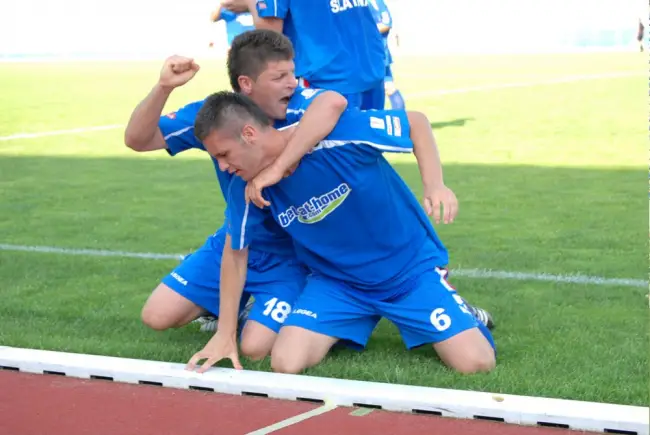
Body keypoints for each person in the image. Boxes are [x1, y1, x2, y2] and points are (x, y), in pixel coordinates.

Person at [188, 91, 496, 375]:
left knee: (476, 363)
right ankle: (352, 320)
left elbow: (414, 122)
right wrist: (224, 334)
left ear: (249, 134)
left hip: (408, 272)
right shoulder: (246, 187)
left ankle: (461, 311)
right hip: (339, 284)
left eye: (224, 154)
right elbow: (235, 252)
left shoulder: (335, 136)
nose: (223, 166)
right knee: (286, 362)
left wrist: (435, 184)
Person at [123, 29, 347, 361]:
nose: (293, 82)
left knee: (255, 348)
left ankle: (309, 310)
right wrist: (164, 87)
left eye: (292, 73)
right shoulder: (216, 117)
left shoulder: (304, 106)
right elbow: (137, 140)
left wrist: (278, 165)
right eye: (280, 76)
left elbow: (334, 104)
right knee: (157, 316)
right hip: (236, 239)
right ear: (246, 84)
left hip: (293, 255)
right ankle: (234, 307)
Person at [219, 0, 386, 110]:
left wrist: (251, 3)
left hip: (327, 80)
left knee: (324, 159)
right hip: (370, 69)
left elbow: (269, 35)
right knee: (365, 155)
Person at [369, 0, 405, 110]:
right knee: (387, 87)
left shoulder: (376, 2)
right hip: (369, 55)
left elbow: (386, 23)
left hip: (376, 55)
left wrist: (366, 31)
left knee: (385, 89)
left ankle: (400, 119)